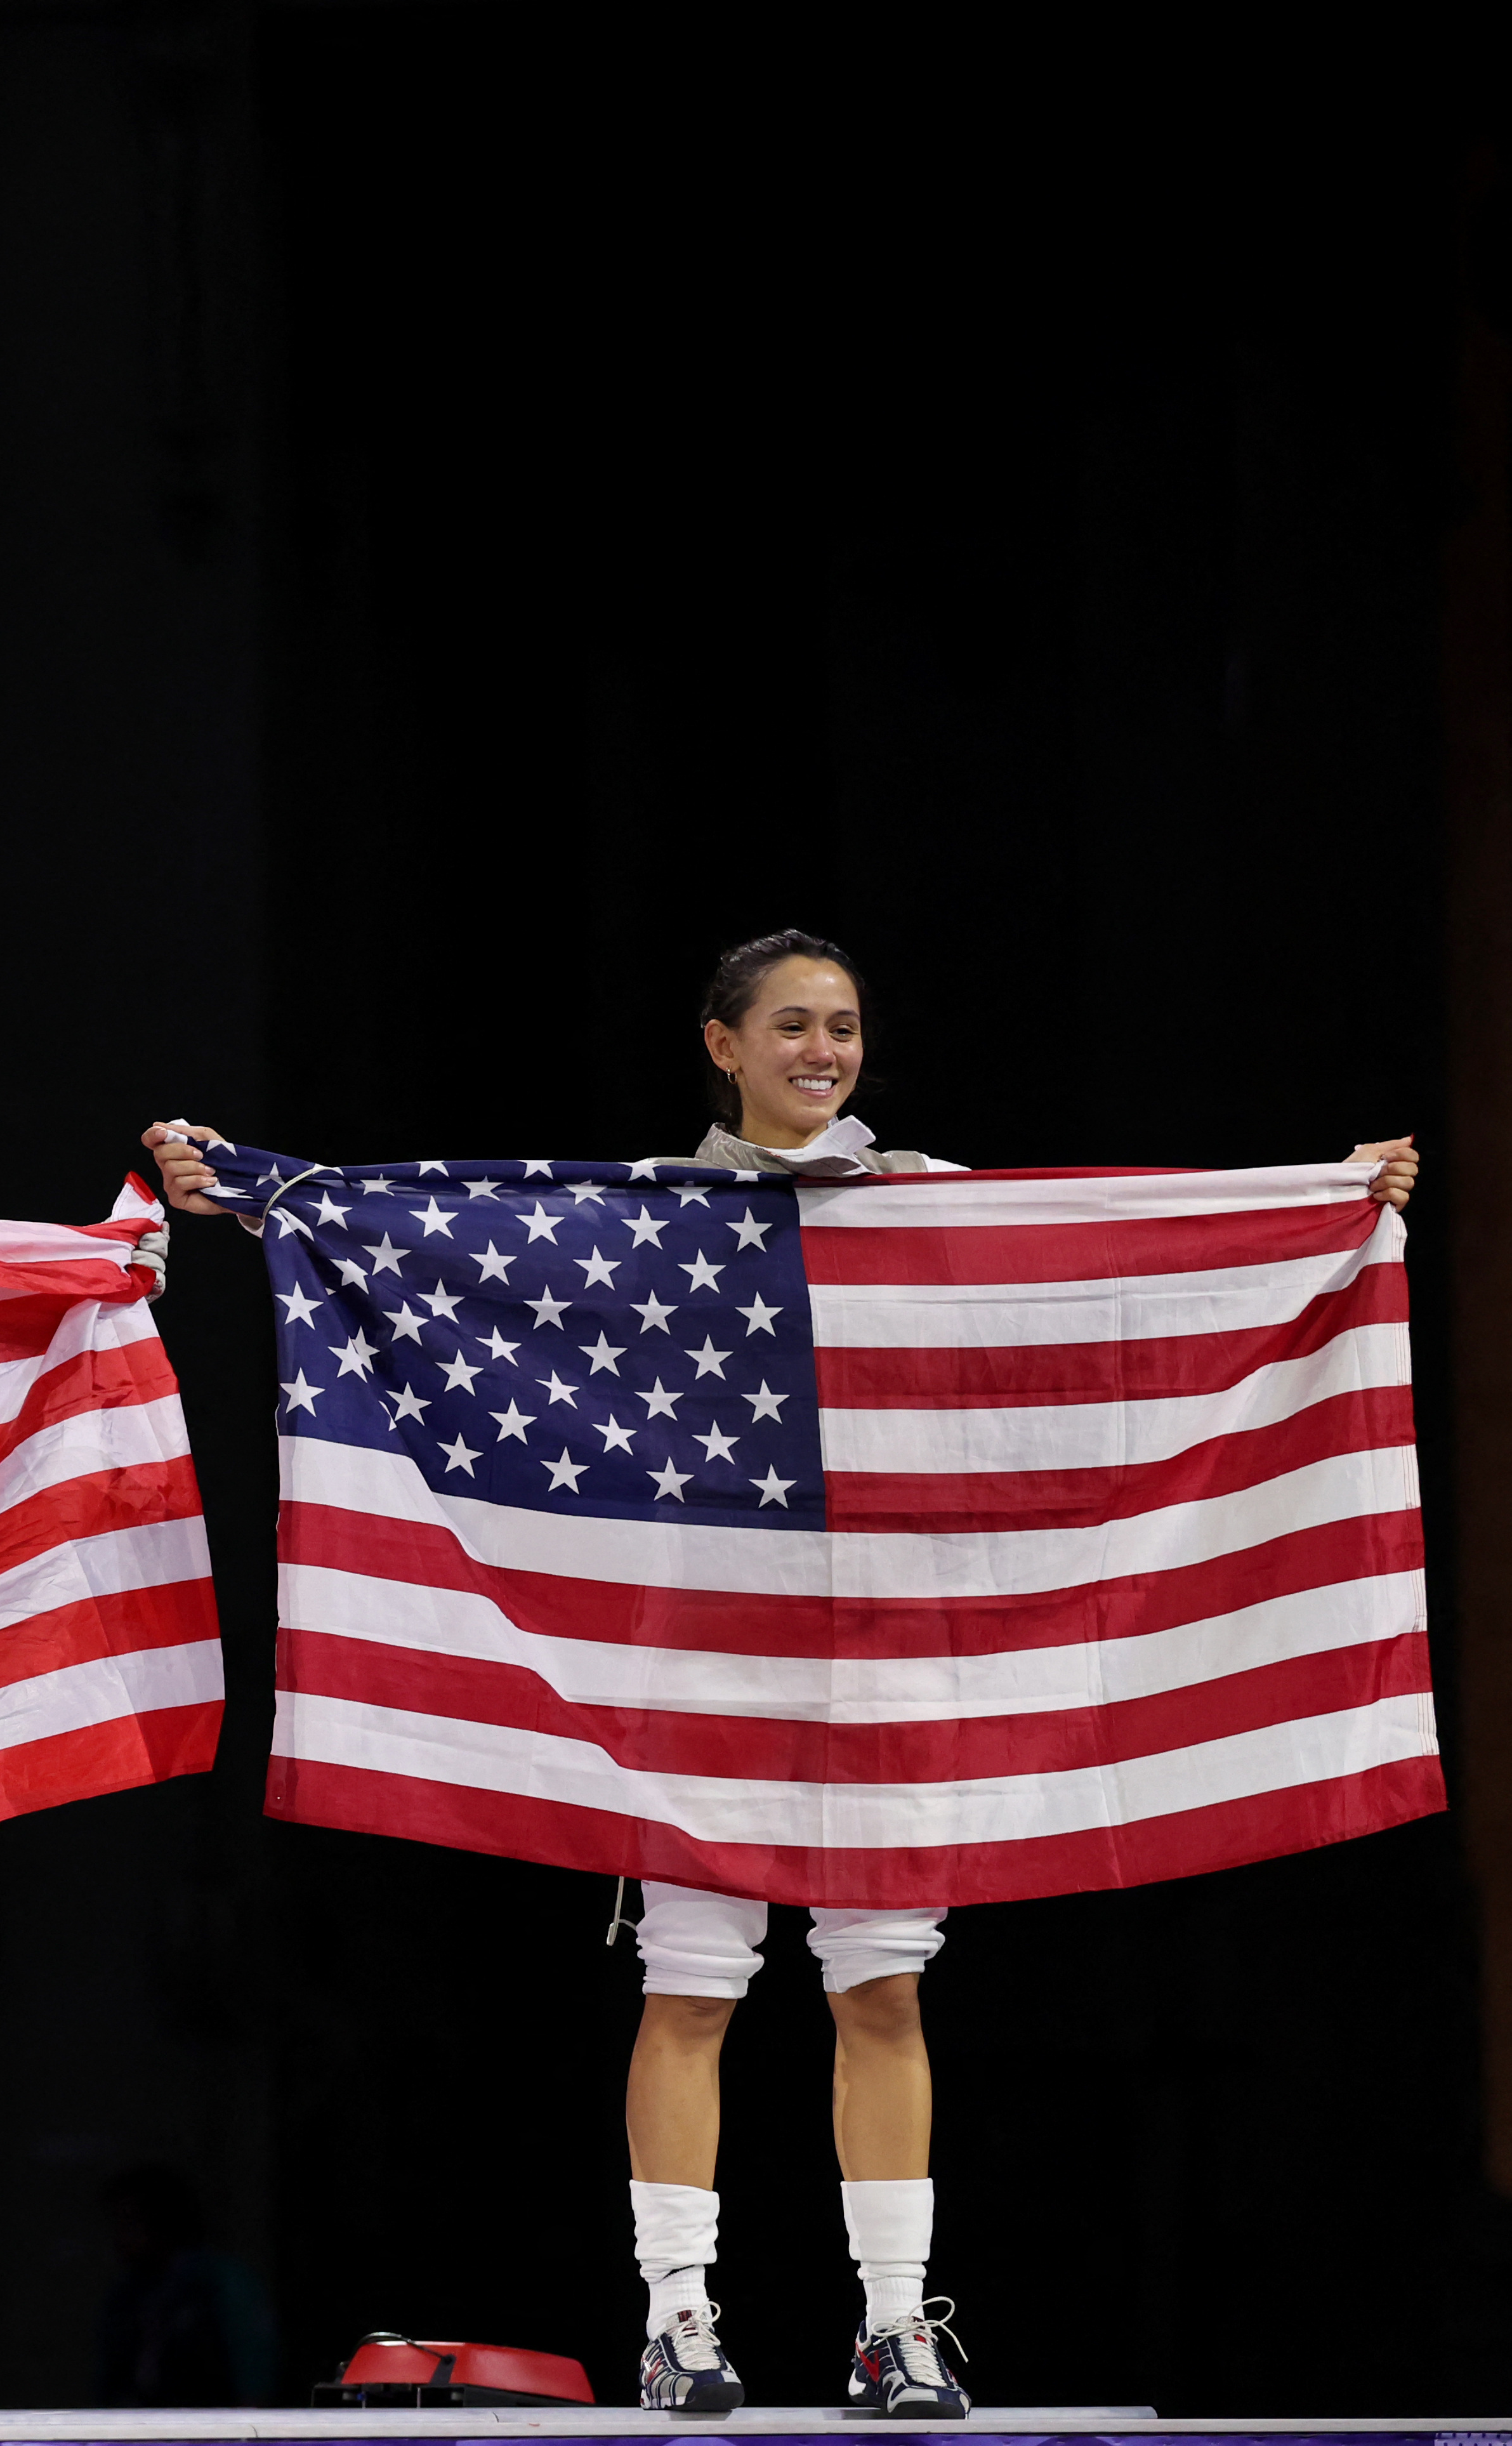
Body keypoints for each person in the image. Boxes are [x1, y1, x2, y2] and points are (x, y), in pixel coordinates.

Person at [144, 926, 1418, 2423]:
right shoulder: (643, 1217)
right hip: (701, 1675)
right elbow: (427, 1245)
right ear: (722, 1044)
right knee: (691, 1994)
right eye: (795, 1025)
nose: (825, 1049)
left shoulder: (933, 1202)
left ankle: (896, 2327)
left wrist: (1324, 1199)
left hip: (888, 1671)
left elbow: (1132, 1263)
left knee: (879, 1991)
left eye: (846, 1026)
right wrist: (255, 1189)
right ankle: (678, 2317)